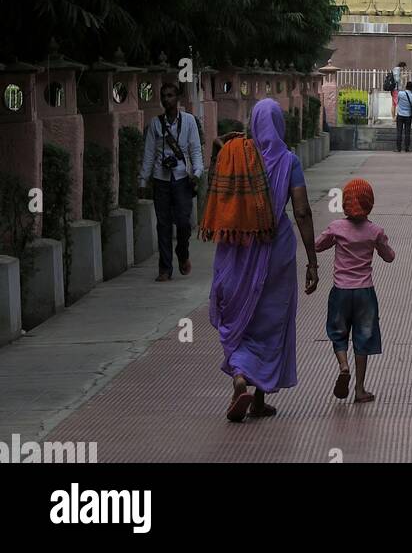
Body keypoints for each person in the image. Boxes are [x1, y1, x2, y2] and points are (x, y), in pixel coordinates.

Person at [203, 99, 318, 422]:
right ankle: (259, 397)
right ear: (280, 123)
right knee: (271, 321)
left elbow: (215, 190)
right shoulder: (289, 160)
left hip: (237, 247)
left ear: (253, 122)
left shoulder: (237, 153)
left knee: (240, 315)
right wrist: (312, 261)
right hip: (275, 248)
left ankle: (240, 377)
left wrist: (220, 147)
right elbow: (302, 211)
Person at [316, 178, 395, 404]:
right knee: (364, 338)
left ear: (344, 203)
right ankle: (360, 390)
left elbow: (318, 245)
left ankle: (343, 366)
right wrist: (381, 244)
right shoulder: (374, 231)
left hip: (340, 291)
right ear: (369, 203)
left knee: (338, 332)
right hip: (365, 294)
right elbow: (389, 257)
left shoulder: (337, 228)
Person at [138, 82, 204, 282]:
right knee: (163, 225)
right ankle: (165, 269)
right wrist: (143, 180)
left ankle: (182, 253)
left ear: (178, 99)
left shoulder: (190, 121)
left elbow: (195, 149)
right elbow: (149, 154)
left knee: (184, 223)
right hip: (161, 179)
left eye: (170, 95)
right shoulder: (155, 124)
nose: (167, 99)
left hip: (183, 177)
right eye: (164, 96)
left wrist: (198, 172)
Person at [395, 77, 412, 151]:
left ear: (406, 86)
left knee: (399, 131)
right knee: (407, 132)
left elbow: (397, 102)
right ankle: (407, 148)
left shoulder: (400, 93)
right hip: (408, 115)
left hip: (400, 115)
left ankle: (398, 148)